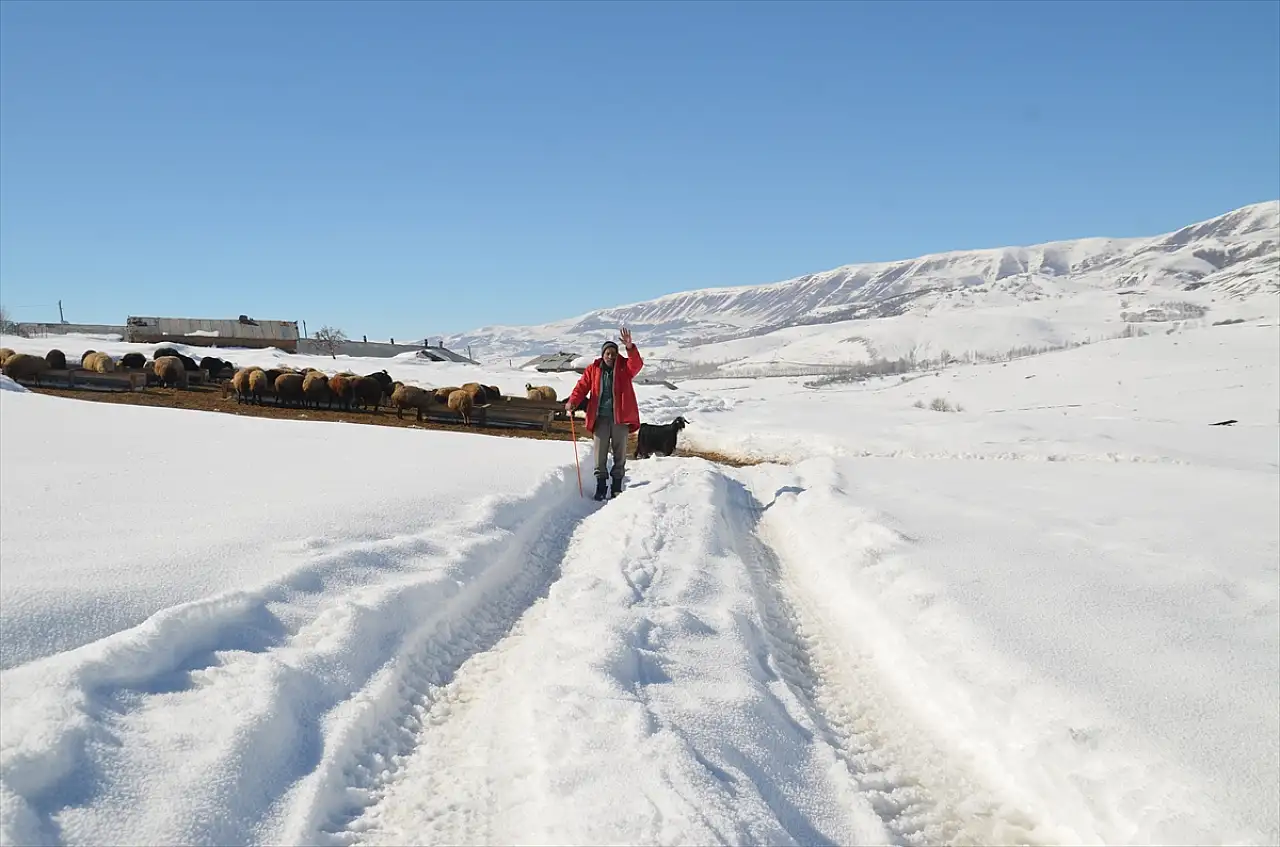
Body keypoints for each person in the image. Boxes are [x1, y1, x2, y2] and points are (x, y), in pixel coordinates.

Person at [566, 327, 644, 500]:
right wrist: (573, 401)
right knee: (599, 454)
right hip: (600, 418)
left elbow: (636, 364)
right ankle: (601, 487)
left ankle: (616, 487)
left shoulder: (625, 368)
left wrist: (630, 347)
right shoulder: (593, 369)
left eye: (613, 353)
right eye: (607, 353)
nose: (610, 356)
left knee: (620, 454)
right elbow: (582, 387)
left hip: (620, 419)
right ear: (603, 354)